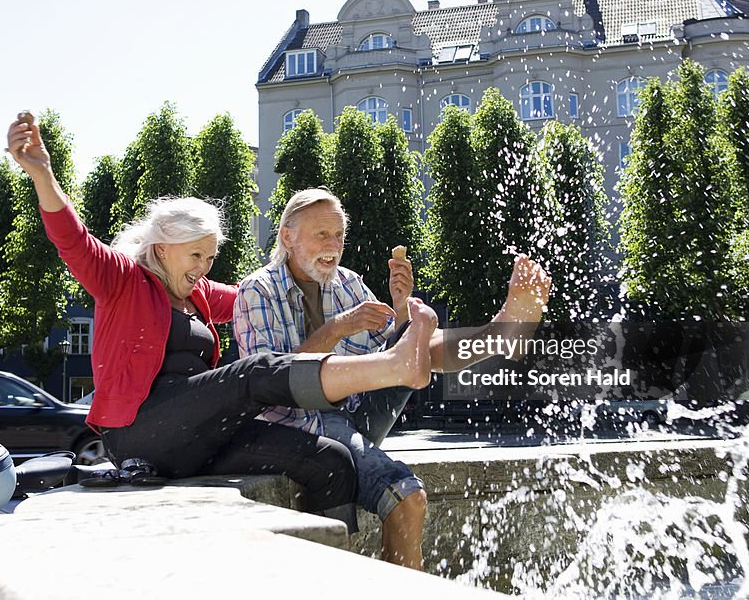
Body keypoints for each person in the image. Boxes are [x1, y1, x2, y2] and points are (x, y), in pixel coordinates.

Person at [6, 112, 438, 531]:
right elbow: (73, 240)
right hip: (142, 433)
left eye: (210, 258)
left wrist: (371, 302)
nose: (203, 268)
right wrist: (43, 175)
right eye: (195, 256)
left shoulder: (200, 293)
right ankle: (392, 367)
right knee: (252, 372)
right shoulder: (122, 280)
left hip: (200, 434)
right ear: (162, 249)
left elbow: (262, 295)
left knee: (329, 459)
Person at [234, 188, 551, 569]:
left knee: (412, 343)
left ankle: (499, 334)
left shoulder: (349, 283)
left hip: (357, 413)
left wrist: (402, 314)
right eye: (322, 234)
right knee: (408, 497)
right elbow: (269, 384)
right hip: (299, 426)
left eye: (339, 235)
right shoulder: (257, 290)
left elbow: (396, 352)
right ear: (287, 237)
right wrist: (336, 328)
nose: (333, 245)